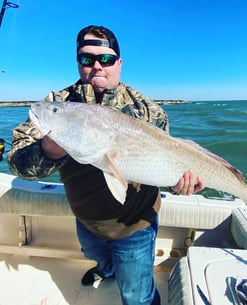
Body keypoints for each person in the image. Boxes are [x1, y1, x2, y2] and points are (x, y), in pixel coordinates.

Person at [7, 25, 204, 305]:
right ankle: (105, 270)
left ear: (119, 63)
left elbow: (167, 164)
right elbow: (18, 164)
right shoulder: (57, 105)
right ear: (78, 63)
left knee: (137, 296)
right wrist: (49, 149)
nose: (97, 66)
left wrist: (180, 182)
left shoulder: (147, 110)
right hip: (86, 219)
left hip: (135, 225)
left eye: (106, 59)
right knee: (97, 256)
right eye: (87, 59)